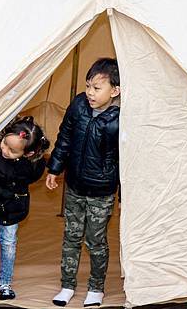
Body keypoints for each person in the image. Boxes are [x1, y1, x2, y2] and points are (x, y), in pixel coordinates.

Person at [46, 58, 121, 307]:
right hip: (75, 185)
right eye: (88, 85)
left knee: (96, 240)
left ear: (115, 91)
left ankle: (96, 288)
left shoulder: (119, 118)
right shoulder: (78, 104)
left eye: (97, 88)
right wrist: (54, 169)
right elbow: (65, 137)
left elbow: (125, 159)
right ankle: (67, 285)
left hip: (102, 190)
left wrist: (122, 195)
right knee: (71, 236)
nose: (90, 92)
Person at [0, 116, 50, 300]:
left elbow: (33, 175)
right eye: (5, 144)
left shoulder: (30, 165)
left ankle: (5, 282)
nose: (5, 151)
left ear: (28, 153)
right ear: (3, 135)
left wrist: (17, 165)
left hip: (12, 207)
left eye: (13, 151)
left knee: (9, 244)